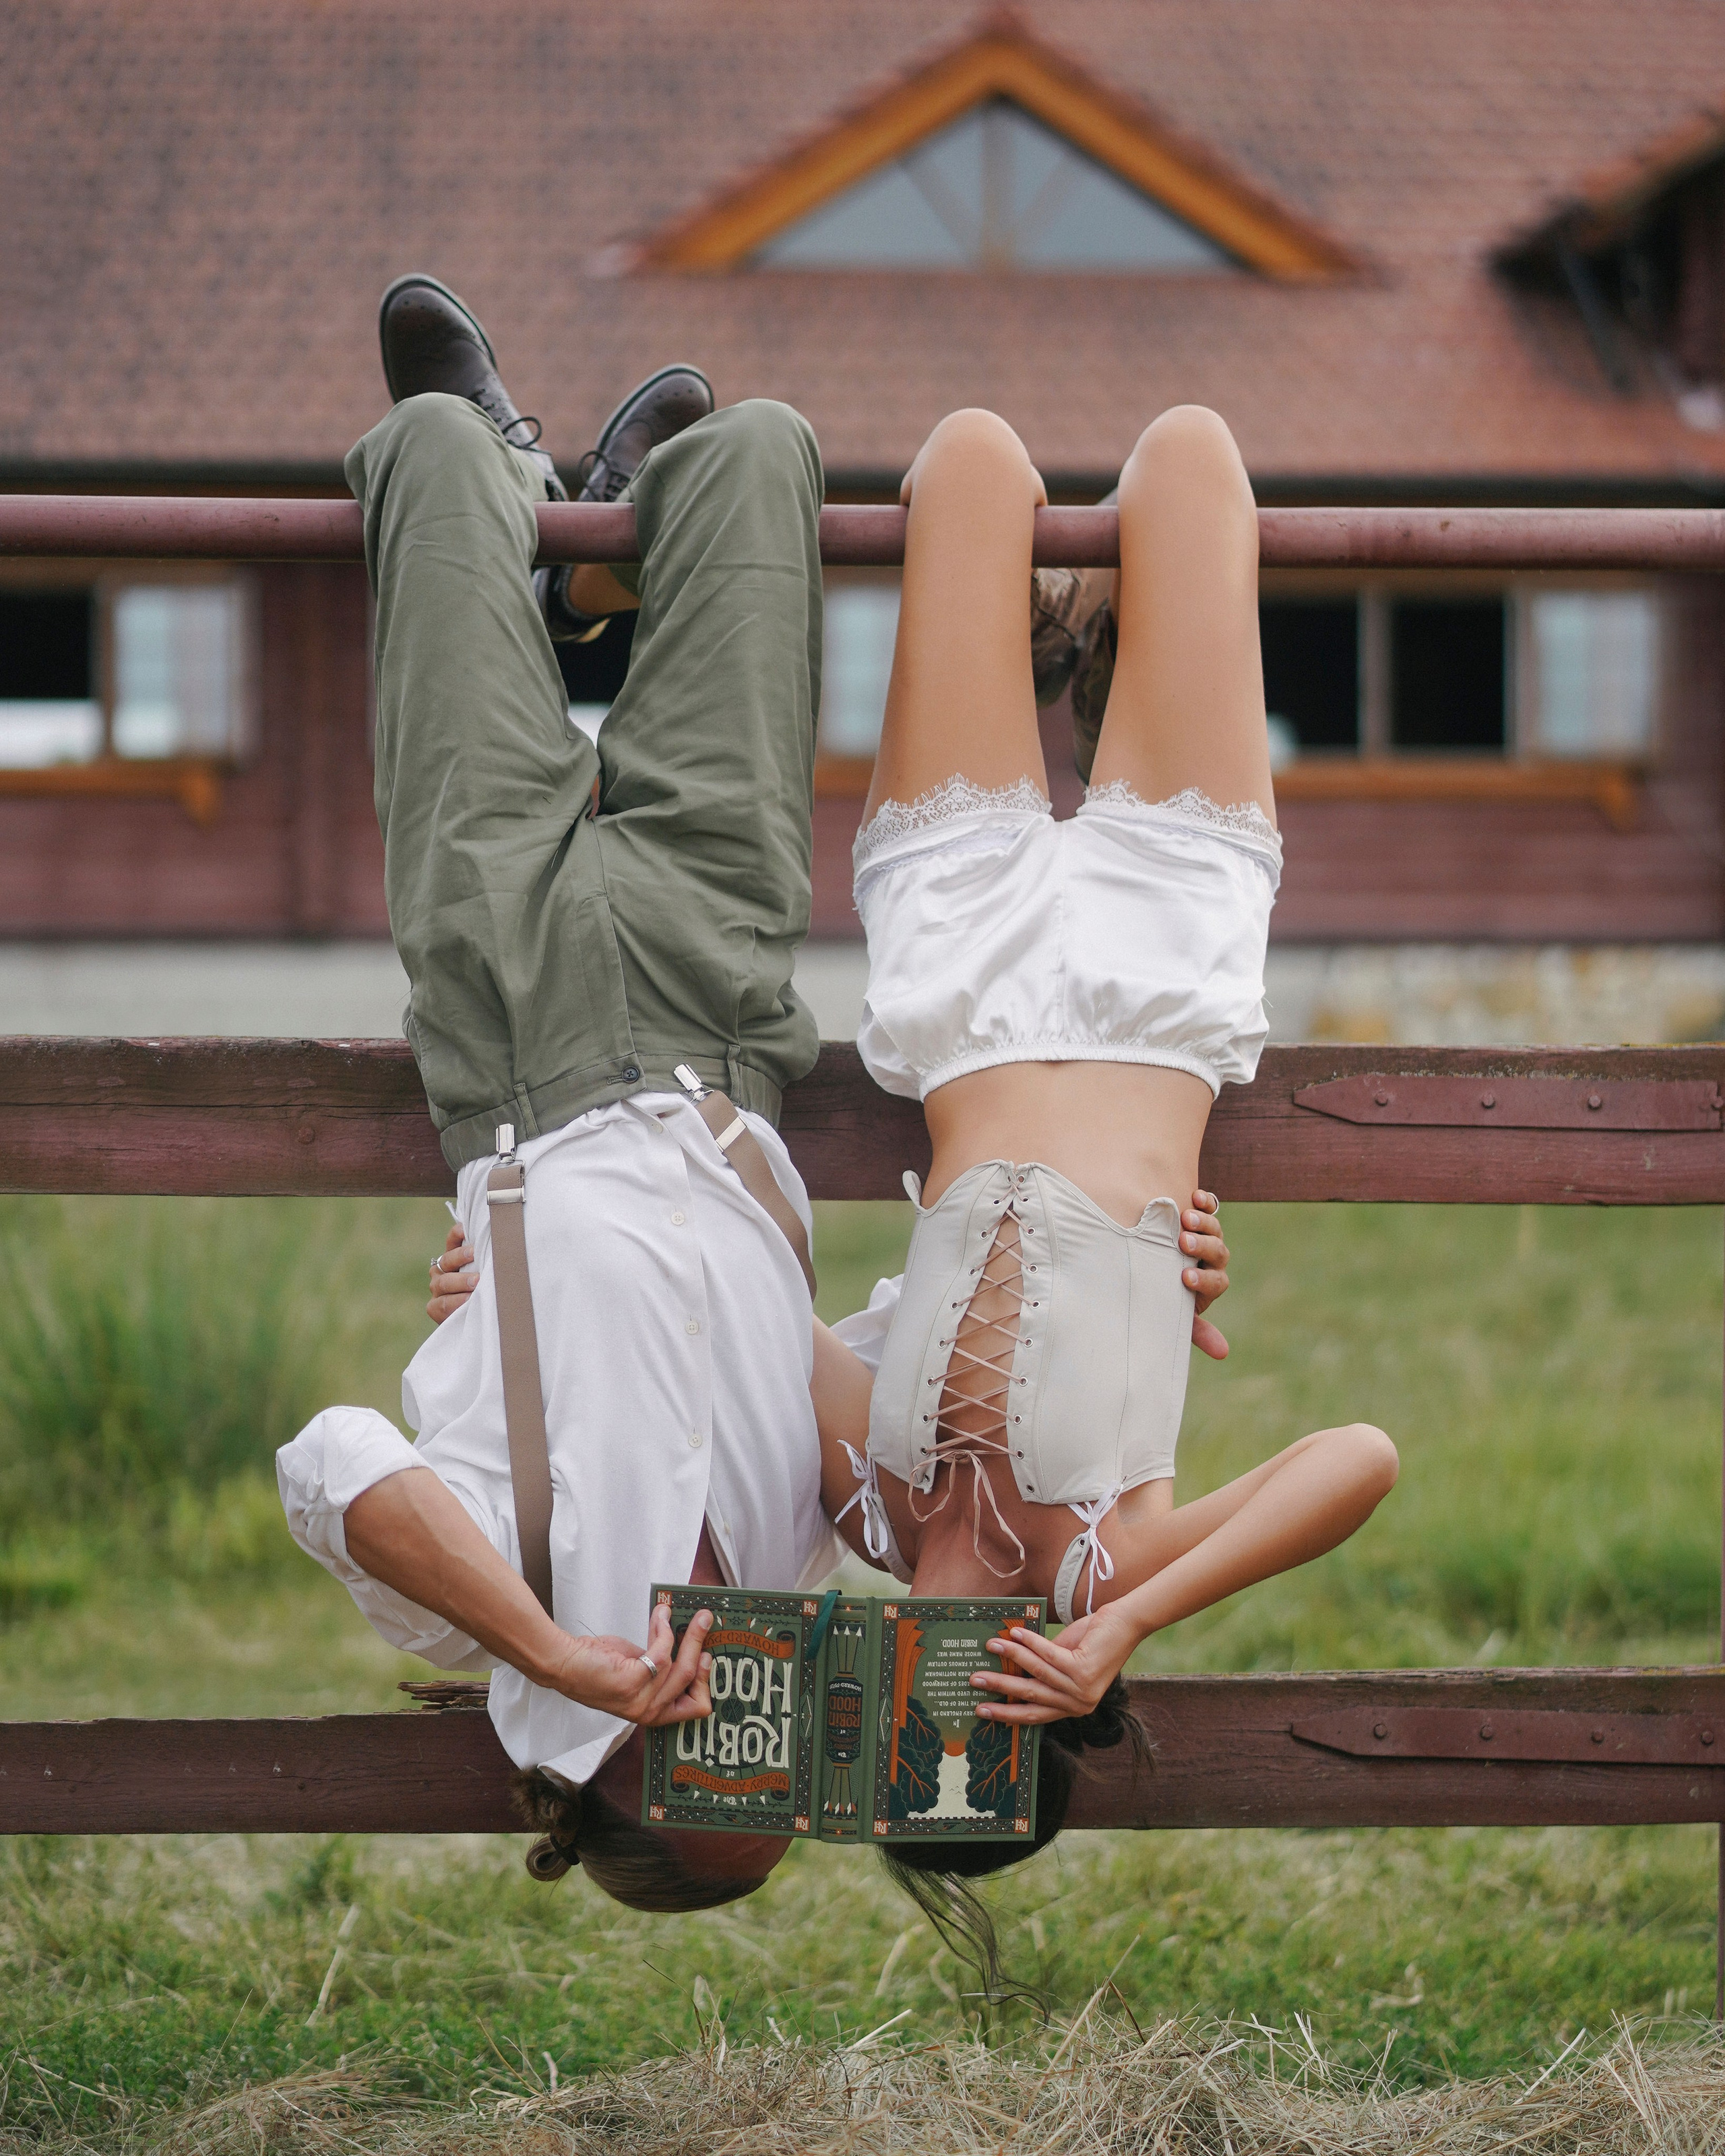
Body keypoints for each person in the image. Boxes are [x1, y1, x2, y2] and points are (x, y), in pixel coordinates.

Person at [283, 278, 1240, 1925]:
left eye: (694, 1773)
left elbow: (331, 1458)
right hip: (725, 1021)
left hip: (517, 1041)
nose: (742, 1734)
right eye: (773, 1774)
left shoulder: (486, 1604)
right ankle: (597, 556)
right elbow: (949, 1337)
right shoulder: (817, 1531)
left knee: (426, 448)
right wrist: (1155, 1271)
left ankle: (506, 482)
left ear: (593, 1771)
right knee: (760, 454)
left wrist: (555, 1648)